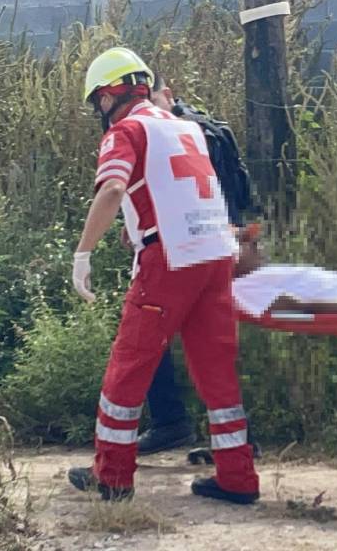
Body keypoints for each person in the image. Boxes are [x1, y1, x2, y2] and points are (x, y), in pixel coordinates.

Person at [66, 47, 259, 504]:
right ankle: (238, 478)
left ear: (112, 95)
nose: (99, 111)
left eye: (98, 101)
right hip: (216, 256)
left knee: (129, 367)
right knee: (216, 372)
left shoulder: (125, 132)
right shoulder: (187, 128)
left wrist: (83, 253)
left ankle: (111, 475)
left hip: (168, 260)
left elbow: (113, 187)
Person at [135, 76, 256, 456]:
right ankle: (202, 434)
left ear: (167, 95)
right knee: (198, 346)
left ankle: (187, 429)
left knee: (185, 343)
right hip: (207, 247)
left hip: (201, 250)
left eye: (151, 100)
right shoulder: (194, 130)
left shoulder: (185, 133)